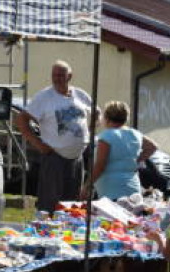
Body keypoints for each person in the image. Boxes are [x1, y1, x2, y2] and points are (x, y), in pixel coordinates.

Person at [15, 60, 94, 213]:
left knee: (72, 204)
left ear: (69, 76)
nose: (57, 78)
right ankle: (45, 231)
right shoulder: (44, 97)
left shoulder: (80, 95)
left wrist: (89, 131)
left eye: (61, 75)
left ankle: (68, 232)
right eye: (54, 75)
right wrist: (38, 144)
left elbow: (96, 113)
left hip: (77, 158)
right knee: (50, 204)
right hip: (54, 157)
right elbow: (21, 119)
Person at [85, 101, 158, 200]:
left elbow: (100, 166)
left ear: (106, 118)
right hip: (133, 189)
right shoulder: (135, 134)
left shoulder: (106, 136)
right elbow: (153, 147)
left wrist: (87, 186)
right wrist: (137, 160)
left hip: (112, 191)